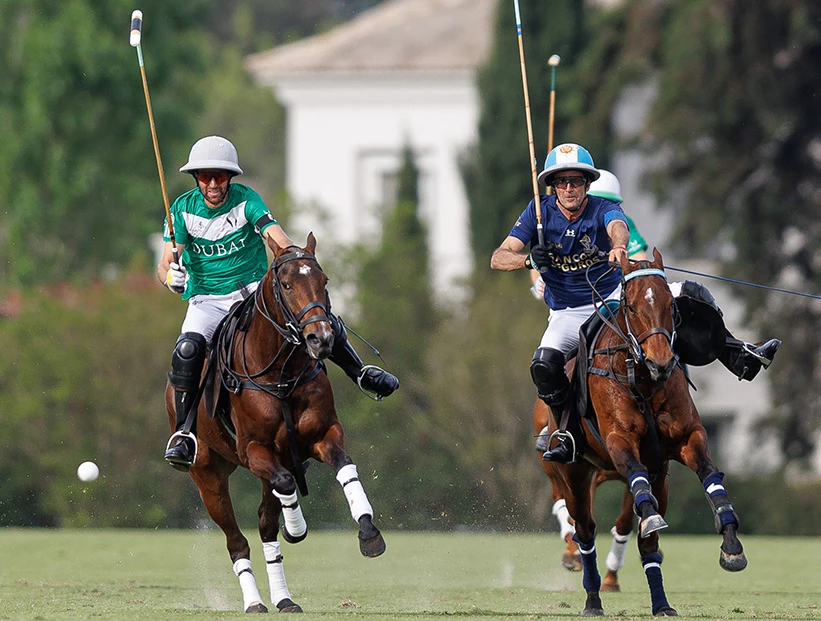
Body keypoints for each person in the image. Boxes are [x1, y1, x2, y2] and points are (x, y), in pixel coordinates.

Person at [493, 144, 780, 464]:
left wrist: (618, 246)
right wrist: (528, 260)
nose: (569, 188)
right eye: (562, 181)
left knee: (691, 292)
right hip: (568, 313)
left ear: (587, 183)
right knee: (543, 366)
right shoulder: (538, 212)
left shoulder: (602, 208)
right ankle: (568, 433)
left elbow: (618, 227)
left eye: (576, 181)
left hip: (613, 300)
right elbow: (499, 257)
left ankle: (738, 355)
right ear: (553, 185)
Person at [158, 136, 399, 471]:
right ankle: (184, 434)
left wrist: (294, 260)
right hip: (207, 300)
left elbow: (276, 238)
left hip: (251, 292)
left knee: (313, 317)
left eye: (220, 176)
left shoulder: (247, 201)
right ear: (196, 178)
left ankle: (361, 373)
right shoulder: (182, 210)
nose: (213, 184)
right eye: (206, 176)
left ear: (230, 178)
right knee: (187, 350)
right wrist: (171, 277)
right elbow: (166, 262)